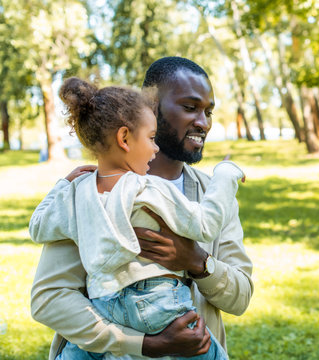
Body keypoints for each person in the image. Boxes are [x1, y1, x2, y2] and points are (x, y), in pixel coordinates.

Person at [30, 57, 253, 359]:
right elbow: (49, 299)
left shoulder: (212, 193)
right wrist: (143, 344)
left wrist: (197, 261)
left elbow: (240, 297)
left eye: (208, 111)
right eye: (190, 107)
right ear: (152, 108)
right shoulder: (90, 194)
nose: (203, 122)